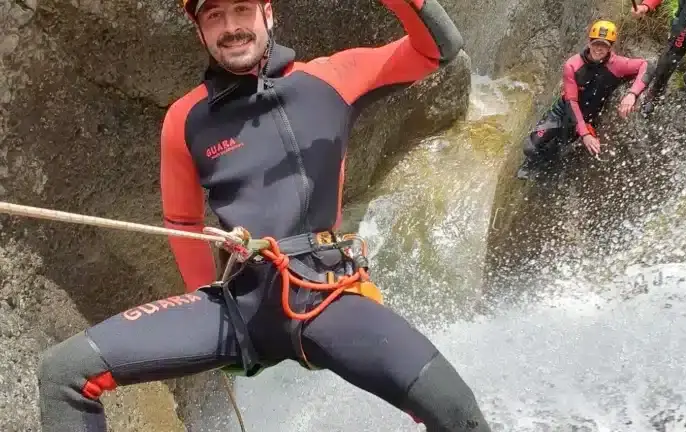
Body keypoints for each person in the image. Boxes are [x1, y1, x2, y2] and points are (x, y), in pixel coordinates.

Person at [35, 0, 493, 431]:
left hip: (324, 298)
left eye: (242, 9)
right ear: (199, 30)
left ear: (268, 13)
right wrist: (205, 297)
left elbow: (438, 49)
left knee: (456, 409)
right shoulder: (185, 118)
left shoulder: (332, 77)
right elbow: (183, 226)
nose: (230, 26)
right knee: (65, 371)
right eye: (214, 15)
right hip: (238, 307)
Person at [516, 20, 652, 180]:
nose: (599, 49)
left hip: (587, 118)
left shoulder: (617, 64)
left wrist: (632, 94)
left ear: (610, 47)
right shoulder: (572, 65)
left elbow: (647, 65)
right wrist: (585, 134)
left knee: (564, 151)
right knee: (530, 147)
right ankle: (541, 163)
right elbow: (572, 102)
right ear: (589, 42)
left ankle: (550, 165)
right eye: (596, 43)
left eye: (604, 45)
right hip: (562, 113)